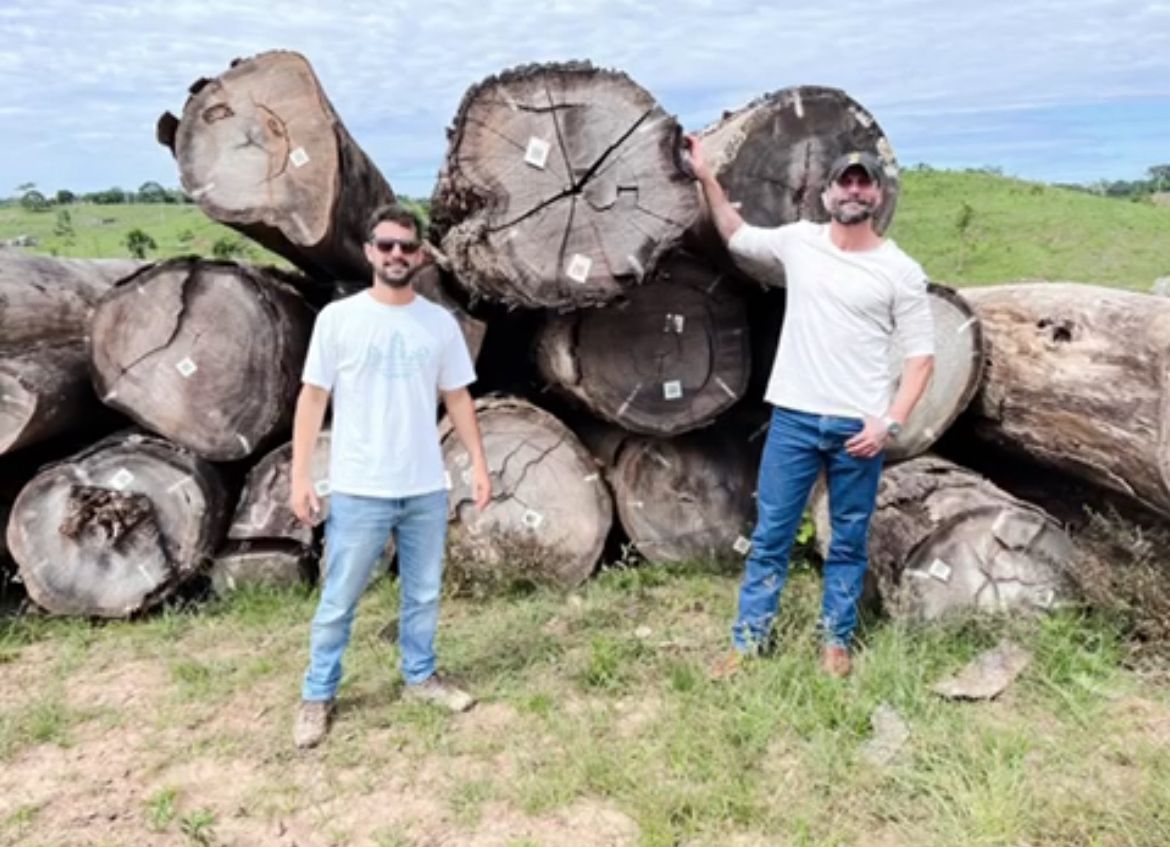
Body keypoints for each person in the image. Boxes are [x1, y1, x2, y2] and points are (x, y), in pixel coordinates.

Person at [685, 140, 936, 678]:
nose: (853, 190)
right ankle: (748, 642)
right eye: (844, 181)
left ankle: (836, 642)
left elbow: (921, 360)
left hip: (858, 428)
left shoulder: (900, 271)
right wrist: (706, 176)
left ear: (878, 194)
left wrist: (889, 422)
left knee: (847, 540)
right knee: (772, 534)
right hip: (795, 419)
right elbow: (736, 233)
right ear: (826, 195)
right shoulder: (800, 242)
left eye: (863, 181)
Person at [289, 203, 491, 748]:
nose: (396, 254)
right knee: (340, 597)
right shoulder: (340, 320)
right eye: (386, 245)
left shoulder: (438, 323)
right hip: (360, 486)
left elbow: (457, 397)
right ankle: (317, 694)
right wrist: (300, 475)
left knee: (423, 593)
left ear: (421, 255)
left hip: (424, 484)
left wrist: (477, 463)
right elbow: (313, 398)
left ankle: (420, 676)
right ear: (369, 252)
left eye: (406, 246)